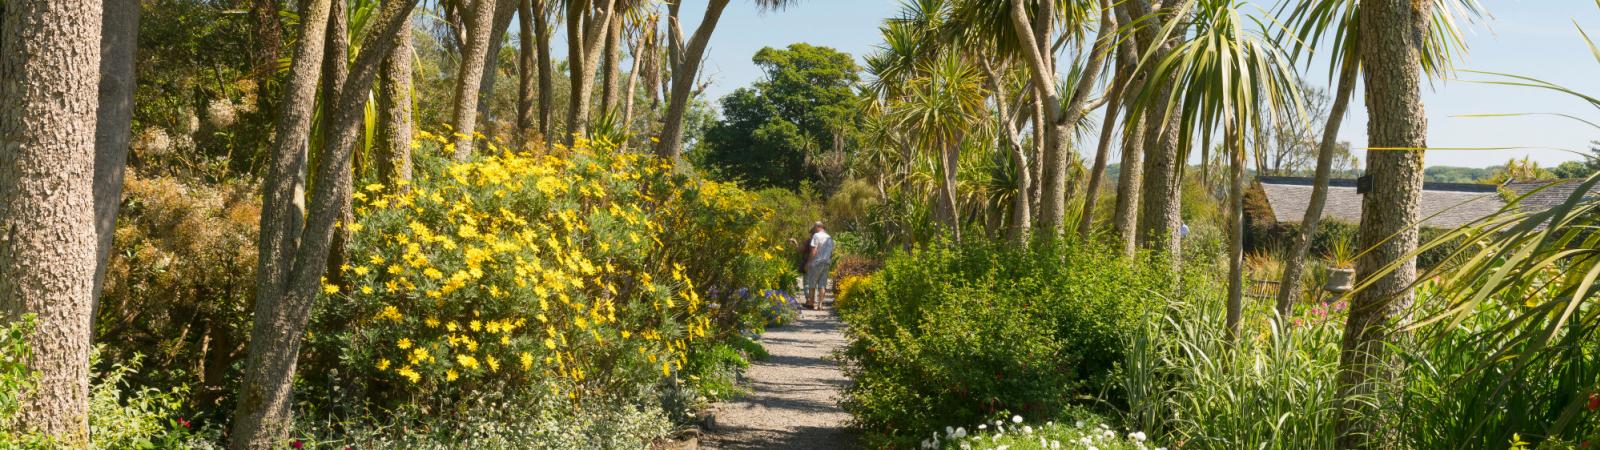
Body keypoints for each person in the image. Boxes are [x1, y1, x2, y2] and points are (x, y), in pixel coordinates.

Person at [803, 222, 834, 310]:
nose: (813, 229)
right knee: (822, 285)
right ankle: (820, 305)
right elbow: (831, 252)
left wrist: (808, 263)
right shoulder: (829, 237)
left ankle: (811, 304)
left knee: (812, 284)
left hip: (816, 262)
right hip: (826, 262)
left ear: (818, 227)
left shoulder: (816, 235)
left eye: (814, 227)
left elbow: (814, 250)